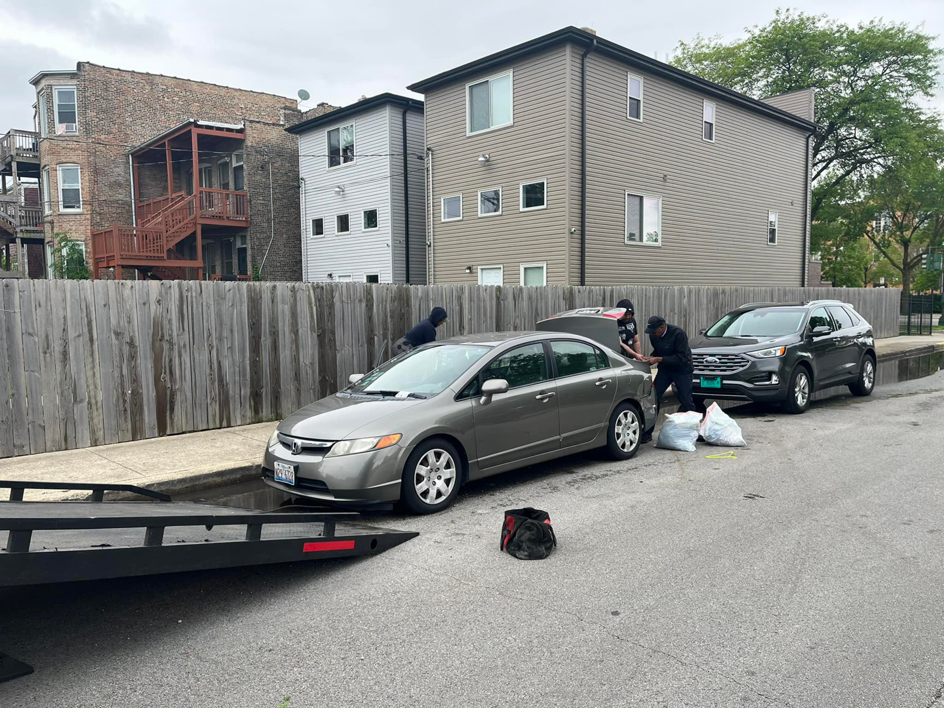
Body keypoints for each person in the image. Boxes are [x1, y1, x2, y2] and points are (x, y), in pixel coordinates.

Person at [644, 315, 695, 413]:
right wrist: (650, 358)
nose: (653, 334)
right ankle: (651, 424)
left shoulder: (678, 334)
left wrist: (658, 359)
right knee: (654, 396)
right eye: (651, 332)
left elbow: (682, 358)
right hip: (665, 370)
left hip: (682, 369)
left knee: (685, 398)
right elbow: (658, 350)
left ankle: (692, 424)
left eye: (654, 331)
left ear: (662, 327)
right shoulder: (653, 336)